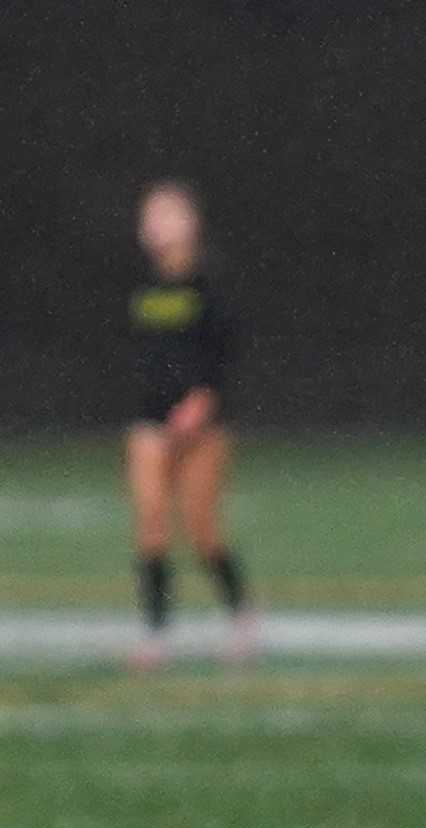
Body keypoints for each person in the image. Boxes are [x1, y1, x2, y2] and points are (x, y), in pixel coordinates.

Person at [125, 180, 253, 669]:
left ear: (191, 222)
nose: (157, 225)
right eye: (151, 216)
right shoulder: (141, 286)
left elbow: (224, 351)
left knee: (203, 530)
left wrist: (202, 400)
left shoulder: (210, 283)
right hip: (150, 421)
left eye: (168, 214)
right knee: (152, 525)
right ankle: (156, 633)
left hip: (203, 425)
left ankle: (241, 616)